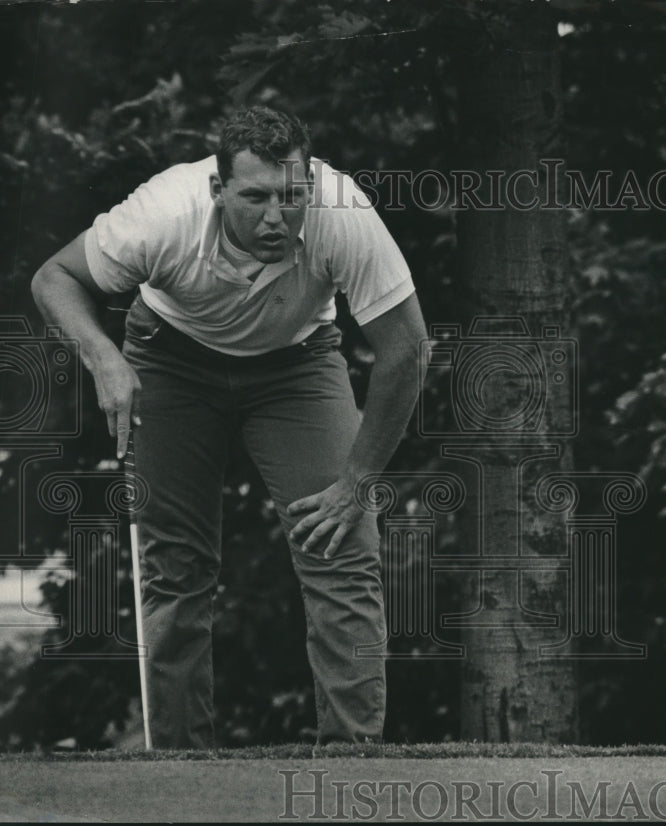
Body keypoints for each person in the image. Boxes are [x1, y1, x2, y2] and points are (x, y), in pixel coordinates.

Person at [31, 106, 427, 748]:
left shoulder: (344, 216)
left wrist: (357, 483)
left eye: (291, 196)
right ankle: (185, 768)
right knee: (176, 565)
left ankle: (354, 760)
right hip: (170, 358)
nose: (277, 217)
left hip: (298, 363)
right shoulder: (163, 215)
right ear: (219, 190)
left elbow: (407, 349)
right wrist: (104, 358)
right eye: (256, 198)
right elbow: (55, 277)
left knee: (342, 544)